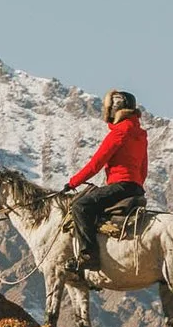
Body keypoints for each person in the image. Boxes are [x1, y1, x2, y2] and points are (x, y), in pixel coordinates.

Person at [63, 90, 148, 271]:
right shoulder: (140, 135)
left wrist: (72, 183)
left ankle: (89, 256)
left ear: (114, 109)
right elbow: (143, 169)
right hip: (135, 187)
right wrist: (136, 185)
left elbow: (96, 164)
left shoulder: (119, 133)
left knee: (81, 206)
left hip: (120, 185)